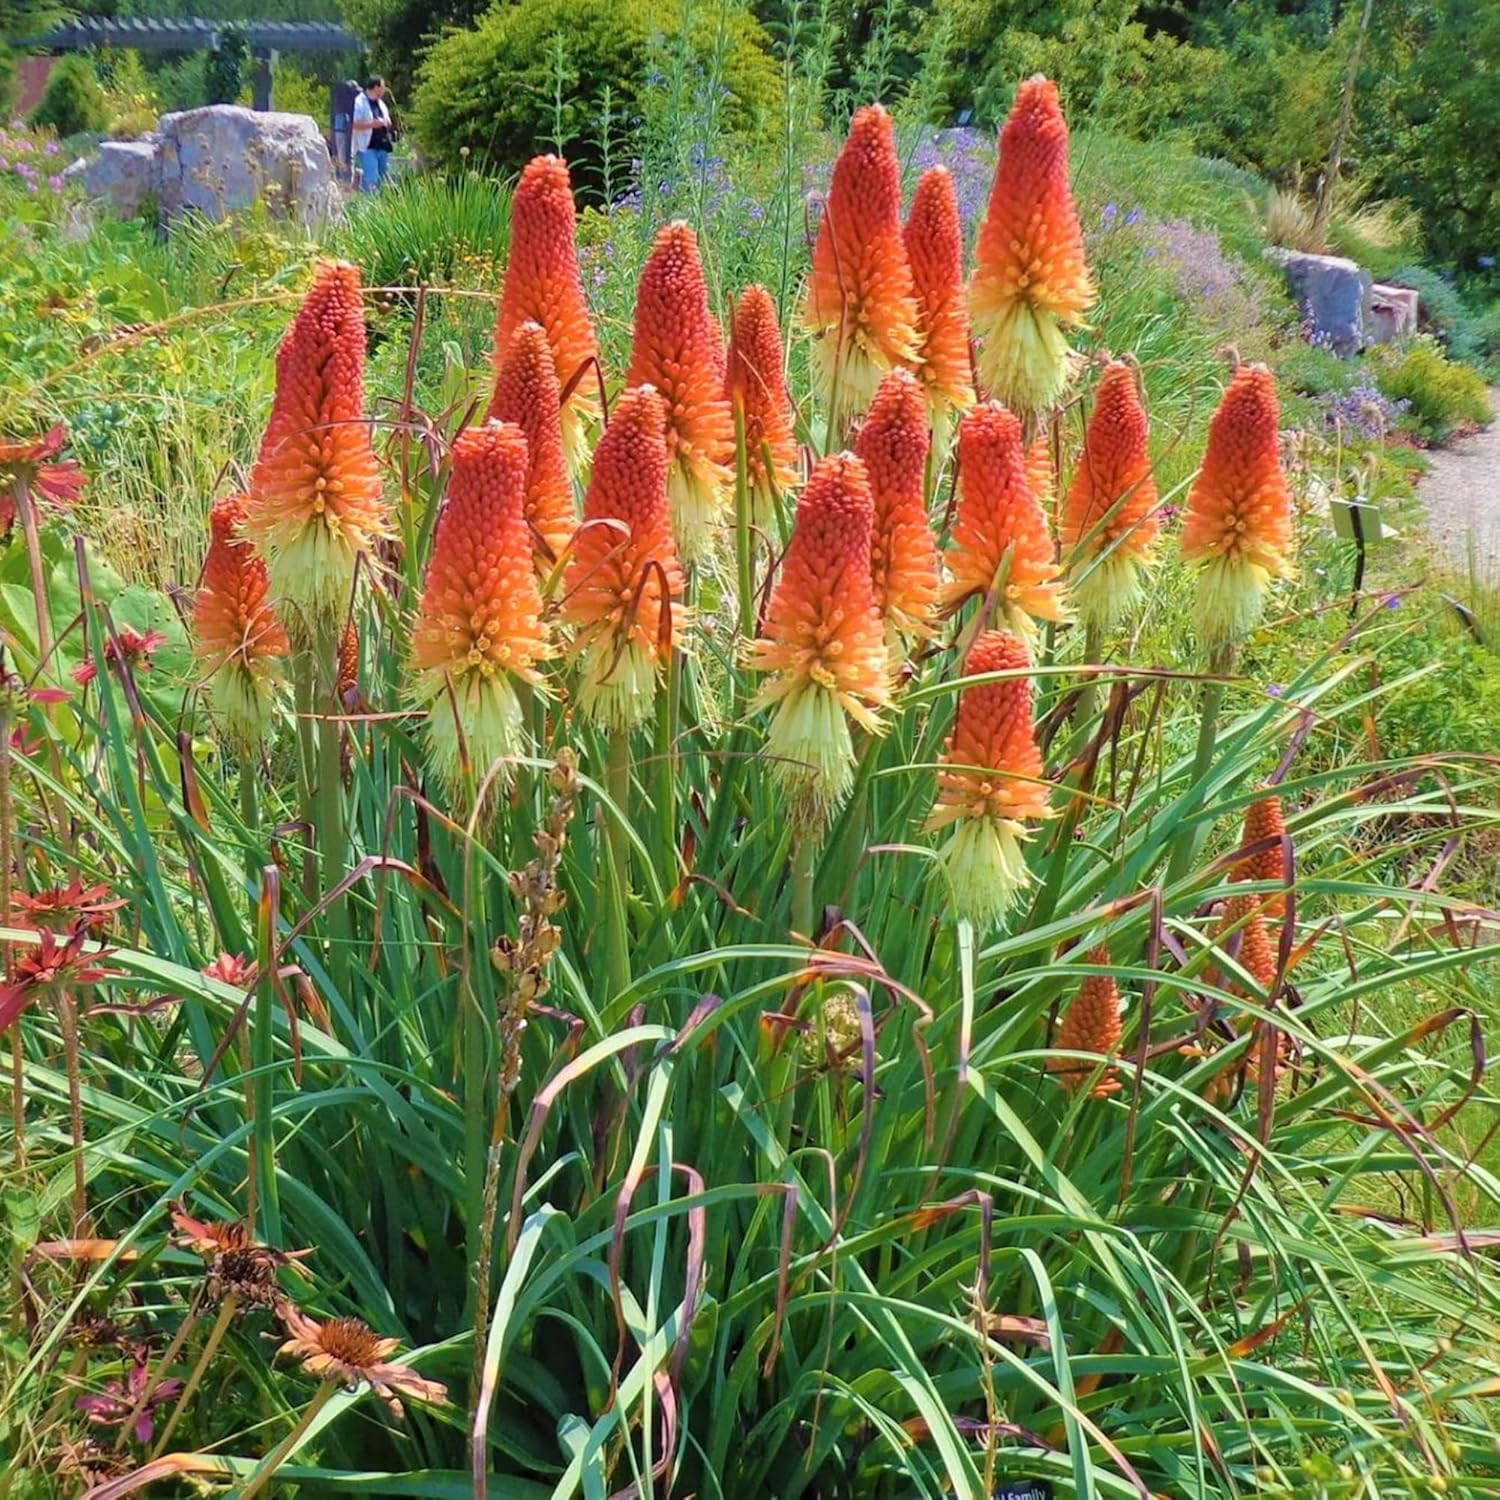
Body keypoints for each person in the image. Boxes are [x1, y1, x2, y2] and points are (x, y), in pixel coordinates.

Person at [352, 76, 394, 194]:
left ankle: (378, 202)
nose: (384, 90)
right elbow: (353, 124)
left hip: (383, 145)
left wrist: (387, 123)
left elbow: (387, 120)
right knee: (371, 178)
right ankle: (369, 202)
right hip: (368, 146)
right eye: (382, 87)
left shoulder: (381, 104)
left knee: (381, 177)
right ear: (376, 87)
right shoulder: (359, 102)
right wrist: (372, 124)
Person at [331, 78, 359, 183]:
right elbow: (345, 128)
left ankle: (346, 180)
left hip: (343, 133)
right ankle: (345, 182)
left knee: (346, 158)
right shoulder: (344, 107)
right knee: (344, 159)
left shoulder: (339, 106)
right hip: (343, 134)